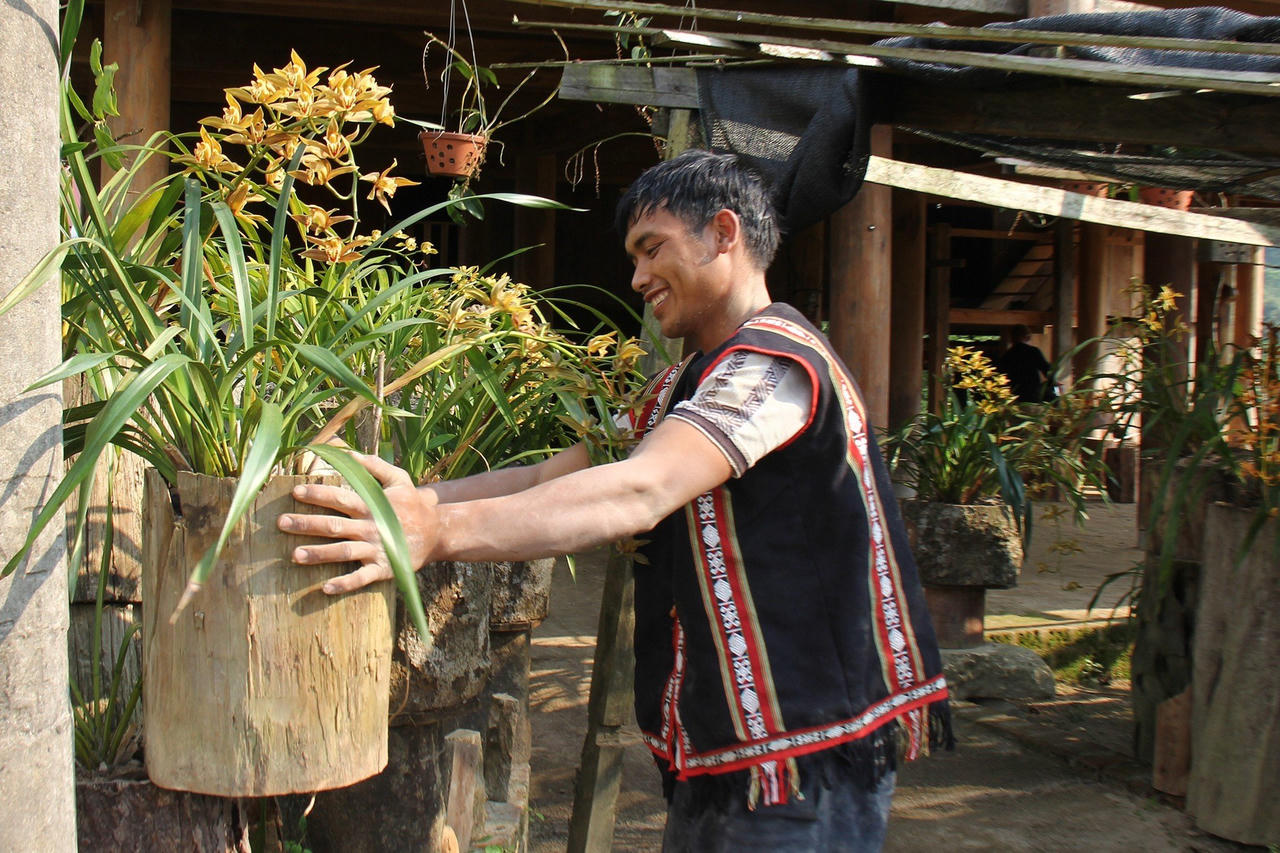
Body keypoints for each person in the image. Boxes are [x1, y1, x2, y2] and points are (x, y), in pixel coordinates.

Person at [278, 150, 949, 852]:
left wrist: (435, 531)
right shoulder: (684, 384)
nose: (636, 278)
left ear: (724, 234)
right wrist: (415, 500)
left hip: (803, 760)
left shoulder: (772, 367)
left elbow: (639, 487)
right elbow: (553, 474)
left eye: (650, 249)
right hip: (728, 755)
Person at [996, 324, 1055, 403]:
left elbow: (1001, 375)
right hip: (1032, 393)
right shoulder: (1033, 351)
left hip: (1014, 394)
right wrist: (1052, 383)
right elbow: (1046, 369)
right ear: (1027, 336)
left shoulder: (1008, 355)